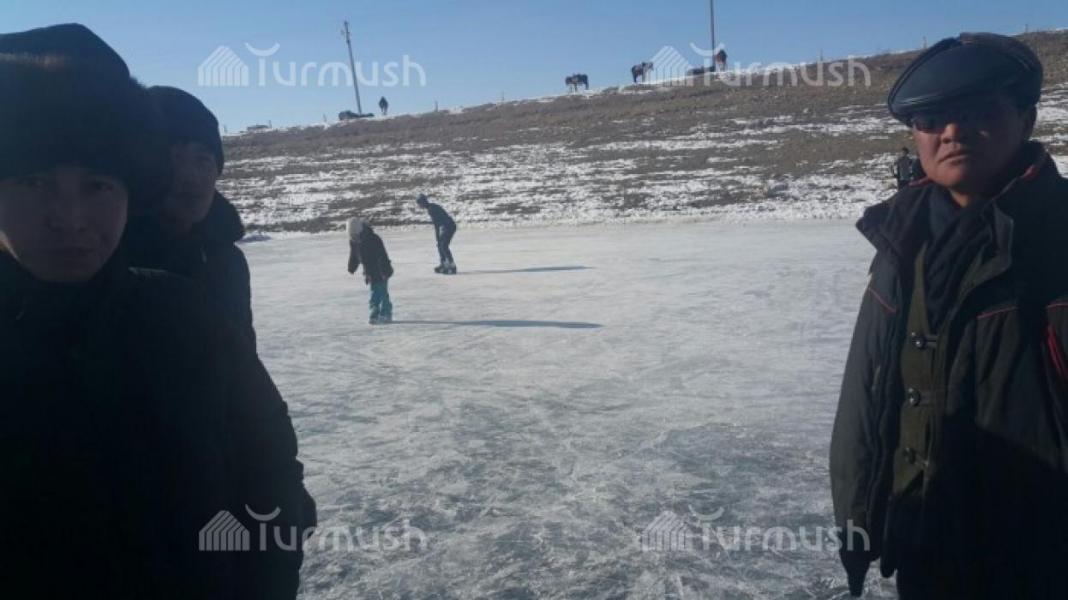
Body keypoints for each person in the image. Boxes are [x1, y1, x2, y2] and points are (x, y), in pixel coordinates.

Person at [0, 24, 312, 598]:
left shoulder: (182, 314)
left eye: (98, 185)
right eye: (34, 181)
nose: (69, 218)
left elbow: (264, 458)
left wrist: (267, 578)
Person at [830, 33, 1068, 599]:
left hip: (1042, 560)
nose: (953, 131)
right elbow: (868, 388)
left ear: (1026, 118)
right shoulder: (901, 241)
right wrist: (859, 521)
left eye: (979, 111)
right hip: (925, 545)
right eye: (932, 119)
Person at [123, 86, 256, 345]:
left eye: (203, 159)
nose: (190, 177)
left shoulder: (227, 261)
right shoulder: (108, 259)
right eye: (174, 159)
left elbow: (243, 360)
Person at [347, 218, 394, 324]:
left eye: (355, 234)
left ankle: (386, 313)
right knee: (374, 292)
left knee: (382, 292)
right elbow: (354, 255)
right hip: (369, 271)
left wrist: (384, 270)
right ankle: (375, 312)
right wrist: (352, 267)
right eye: (352, 234)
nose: (354, 236)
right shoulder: (354, 241)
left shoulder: (373, 238)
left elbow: (382, 255)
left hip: (381, 269)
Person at [416, 193, 457, 274]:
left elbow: (437, 224)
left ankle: (452, 265)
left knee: (443, 245)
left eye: (419, 204)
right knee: (440, 245)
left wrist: (438, 235)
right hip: (447, 226)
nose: (419, 206)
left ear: (423, 202)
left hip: (449, 226)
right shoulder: (431, 207)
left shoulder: (431, 209)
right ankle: (444, 263)